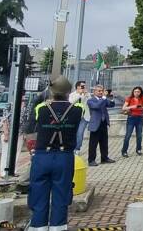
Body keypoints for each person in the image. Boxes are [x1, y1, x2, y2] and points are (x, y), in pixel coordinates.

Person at [25, 77, 84, 231]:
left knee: (38, 195)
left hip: (42, 154)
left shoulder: (41, 108)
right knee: (61, 196)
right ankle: (58, 227)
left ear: (52, 91)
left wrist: (31, 150)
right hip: (65, 156)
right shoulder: (77, 109)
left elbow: (30, 131)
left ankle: (38, 227)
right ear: (69, 92)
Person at [86, 84, 115, 167]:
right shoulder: (91, 100)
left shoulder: (104, 99)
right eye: (99, 91)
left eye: (102, 91)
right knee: (93, 144)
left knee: (104, 142)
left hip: (104, 123)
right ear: (94, 92)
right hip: (95, 124)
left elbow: (111, 105)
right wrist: (103, 98)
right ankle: (91, 160)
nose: (101, 92)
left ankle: (104, 158)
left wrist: (111, 97)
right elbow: (97, 106)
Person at [121, 86, 143, 157]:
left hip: (140, 118)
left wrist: (142, 108)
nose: (137, 93)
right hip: (131, 118)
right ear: (133, 92)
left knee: (139, 135)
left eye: (138, 92)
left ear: (140, 92)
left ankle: (138, 149)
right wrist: (133, 107)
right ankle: (124, 151)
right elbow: (123, 108)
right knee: (128, 135)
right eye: (135, 91)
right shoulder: (129, 98)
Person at [69, 80, 90, 152]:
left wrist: (87, 96)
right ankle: (71, 147)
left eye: (84, 86)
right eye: (82, 86)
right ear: (78, 87)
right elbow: (71, 103)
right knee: (73, 133)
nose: (84, 87)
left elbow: (90, 102)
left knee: (80, 133)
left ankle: (77, 148)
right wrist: (79, 94)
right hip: (74, 117)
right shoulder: (72, 95)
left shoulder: (87, 94)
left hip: (84, 117)